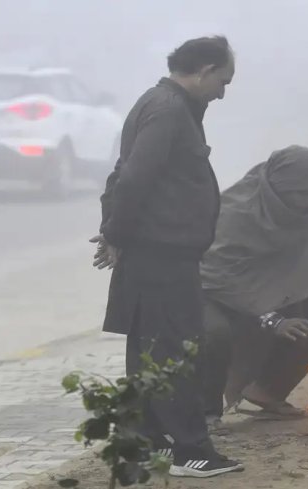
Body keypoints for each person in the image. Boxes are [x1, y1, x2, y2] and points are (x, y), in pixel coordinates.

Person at [91, 36, 243, 478]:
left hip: (155, 254)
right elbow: (134, 177)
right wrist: (116, 233)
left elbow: (125, 174)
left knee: (150, 355)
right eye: (222, 80)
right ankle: (192, 451)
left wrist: (114, 232)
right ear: (203, 70)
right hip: (160, 257)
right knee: (175, 352)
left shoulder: (163, 104)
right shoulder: (168, 109)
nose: (222, 91)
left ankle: (146, 446)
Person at [198, 145, 308, 421]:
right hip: (211, 294)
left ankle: (266, 393)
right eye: (301, 192)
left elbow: (305, 255)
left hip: (263, 293)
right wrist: (272, 320)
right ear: (276, 188)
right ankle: (206, 410)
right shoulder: (233, 215)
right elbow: (218, 277)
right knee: (216, 333)